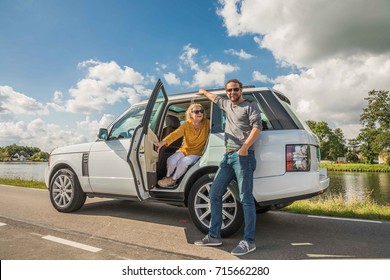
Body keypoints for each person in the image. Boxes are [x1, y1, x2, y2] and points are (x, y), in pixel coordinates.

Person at [194, 79, 262, 256]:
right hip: (227, 156)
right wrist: (203, 91)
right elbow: (214, 98)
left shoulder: (250, 106)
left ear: (241, 89)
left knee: (246, 199)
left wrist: (245, 147)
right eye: (229, 90)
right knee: (215, 193)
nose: (232, 92)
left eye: (235, 89)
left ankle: (249, 241)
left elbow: (257, 127)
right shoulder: (226, 104)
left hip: (243, 156)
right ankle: (214, 235)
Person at [156, 103, 210, 188]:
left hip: (197, 152)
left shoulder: (207, 123)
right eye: (196, 111)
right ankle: (167, 177)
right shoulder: (186, 124)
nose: (199, 113)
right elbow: (175, 134)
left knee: (183, 162)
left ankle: (173, 180)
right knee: (171, 160)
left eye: (201, 111)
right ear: (190, 114)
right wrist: (163, 142)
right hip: (184, 150)